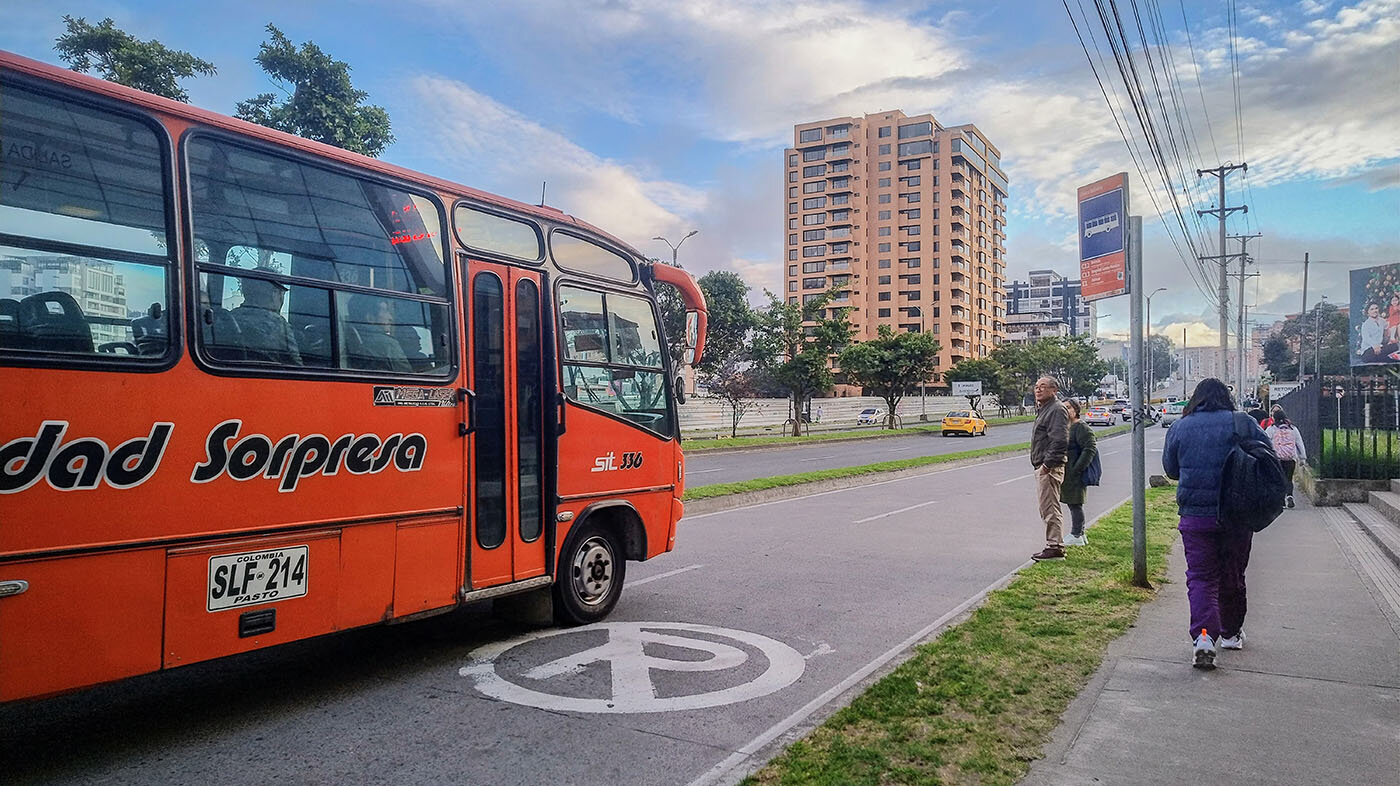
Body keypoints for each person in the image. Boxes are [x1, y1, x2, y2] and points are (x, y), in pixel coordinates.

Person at [1162, 377, 1266, 669]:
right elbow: (1266, 458)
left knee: (1201, 577)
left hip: (1195, 516)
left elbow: (1171, 470)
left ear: (1196, 399)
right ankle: (1232, 633)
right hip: (1236, 516)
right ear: (1226, 398)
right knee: (1233, 575)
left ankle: (1205, 638)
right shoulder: (1242, 422)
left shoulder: (1179, 427)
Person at [1029, 376, 1070, 561]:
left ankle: (1055, 546)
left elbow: (1060, 440)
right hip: (1043, 465)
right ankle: (1053, 544)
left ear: (1054, 390)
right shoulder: (1045, 409)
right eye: (1036, 387)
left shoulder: (1057, 409)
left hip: (1050, 467)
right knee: (1046, 507)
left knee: (1050, 507)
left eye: (1043, 387)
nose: (1038, 390)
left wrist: (1047, 465)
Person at [230, 276, 302, 365]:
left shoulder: (230, 318)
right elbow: (296, 364)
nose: (282, 301)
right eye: (282, 294)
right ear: (274, 294)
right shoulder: (278, 323)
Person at [1060, 399, 1099, 547]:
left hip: (1074, 471)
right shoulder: (1067, 427)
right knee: (1072, 502)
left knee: (1075, 502)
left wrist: (1077, 468)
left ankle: (1076, 533)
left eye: (1068, 407)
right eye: (1063, 408)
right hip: (1067, 471)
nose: (1066, 410)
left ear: (1076, 410)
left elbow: (1090, 448)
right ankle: (1080, 534)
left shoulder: (1081, 427)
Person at [347, 295, 411, 372]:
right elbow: (407, 374)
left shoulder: (352, 339)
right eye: (385, 311)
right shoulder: (387, 344)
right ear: (370, 318)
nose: (390, 318)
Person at [1265, 408, 1306, 509]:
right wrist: (1302, 457)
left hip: (1276, 459)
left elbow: (1265, 441)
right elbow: (1299, 443)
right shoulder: (1293, 429)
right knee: (1289, 478)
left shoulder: (1271, 429)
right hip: (1290, 458)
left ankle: (1281, 500)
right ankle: (1289, 495)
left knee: (1278, 479)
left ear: (1274, 418)